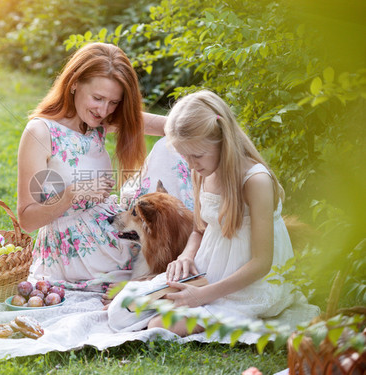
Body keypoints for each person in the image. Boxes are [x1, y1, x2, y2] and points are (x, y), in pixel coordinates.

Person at [108, 90, 317, 335]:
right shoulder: (202, 172)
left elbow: (261, 263)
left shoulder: (255, 181)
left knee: (159, 325)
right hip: (210, 268)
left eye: (196, 155)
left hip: (248, 282)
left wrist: (202, 296)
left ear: (222, 141)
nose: (191, 164)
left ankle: (213, 308)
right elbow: (199, 228)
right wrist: (186, 257)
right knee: (121, 310)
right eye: (184, 156)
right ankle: (193, 300)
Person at [17, 42, 175, 292]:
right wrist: (71, 194)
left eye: (114, 102)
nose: (103, 110)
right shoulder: (41, 132)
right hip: (77, 253)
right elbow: (26, 219)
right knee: (162, 276)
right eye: (98, 98)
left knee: (174, 146)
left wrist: (198, 122)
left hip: (115, 229)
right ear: (74, 83)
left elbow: (164, 125)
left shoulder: (96, 122)